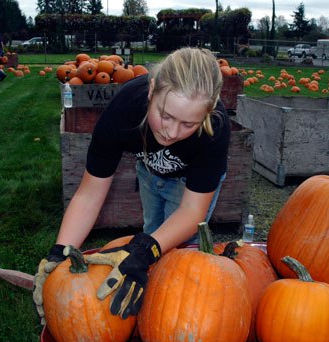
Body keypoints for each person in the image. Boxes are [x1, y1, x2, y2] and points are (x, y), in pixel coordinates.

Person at [33, 47, 231, 322]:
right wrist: (59, 252)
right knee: (152, 232)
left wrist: (144, 249)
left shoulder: (216, 127)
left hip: (191, 186)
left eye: (188, 124)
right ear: (151, 91)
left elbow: (191, 212)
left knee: (179, 252)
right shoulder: (123, 110)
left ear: (207, 113)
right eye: (165, 115)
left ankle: (176, 314)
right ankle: (148, 301)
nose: (171, 132)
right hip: (150, 172)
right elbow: (90, 194)